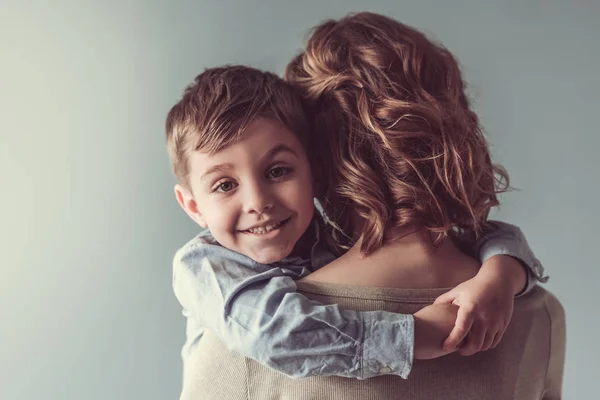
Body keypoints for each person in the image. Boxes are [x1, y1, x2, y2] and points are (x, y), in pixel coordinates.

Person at [176, 12, 564, 399]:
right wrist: (499, 278)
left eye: (277, 170)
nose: (258, 202)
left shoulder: (238, 338)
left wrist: (500, 273)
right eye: (226, 184)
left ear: (317, 160)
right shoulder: (538, 314)